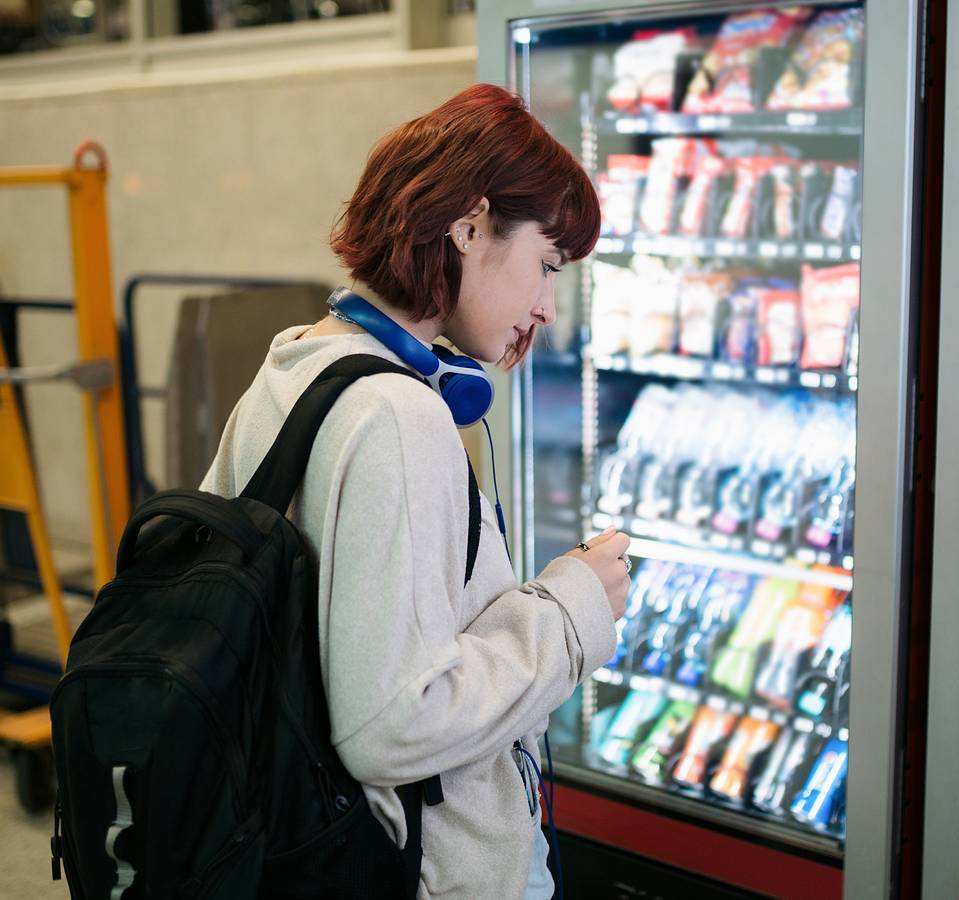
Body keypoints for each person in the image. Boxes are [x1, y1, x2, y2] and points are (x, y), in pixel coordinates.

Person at [200, 83, 630, 899]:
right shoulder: (398, 414)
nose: (545, 305)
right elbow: (391, 722)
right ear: (469, 225)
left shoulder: (294, 365)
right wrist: (573, 612)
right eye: (545, 263)